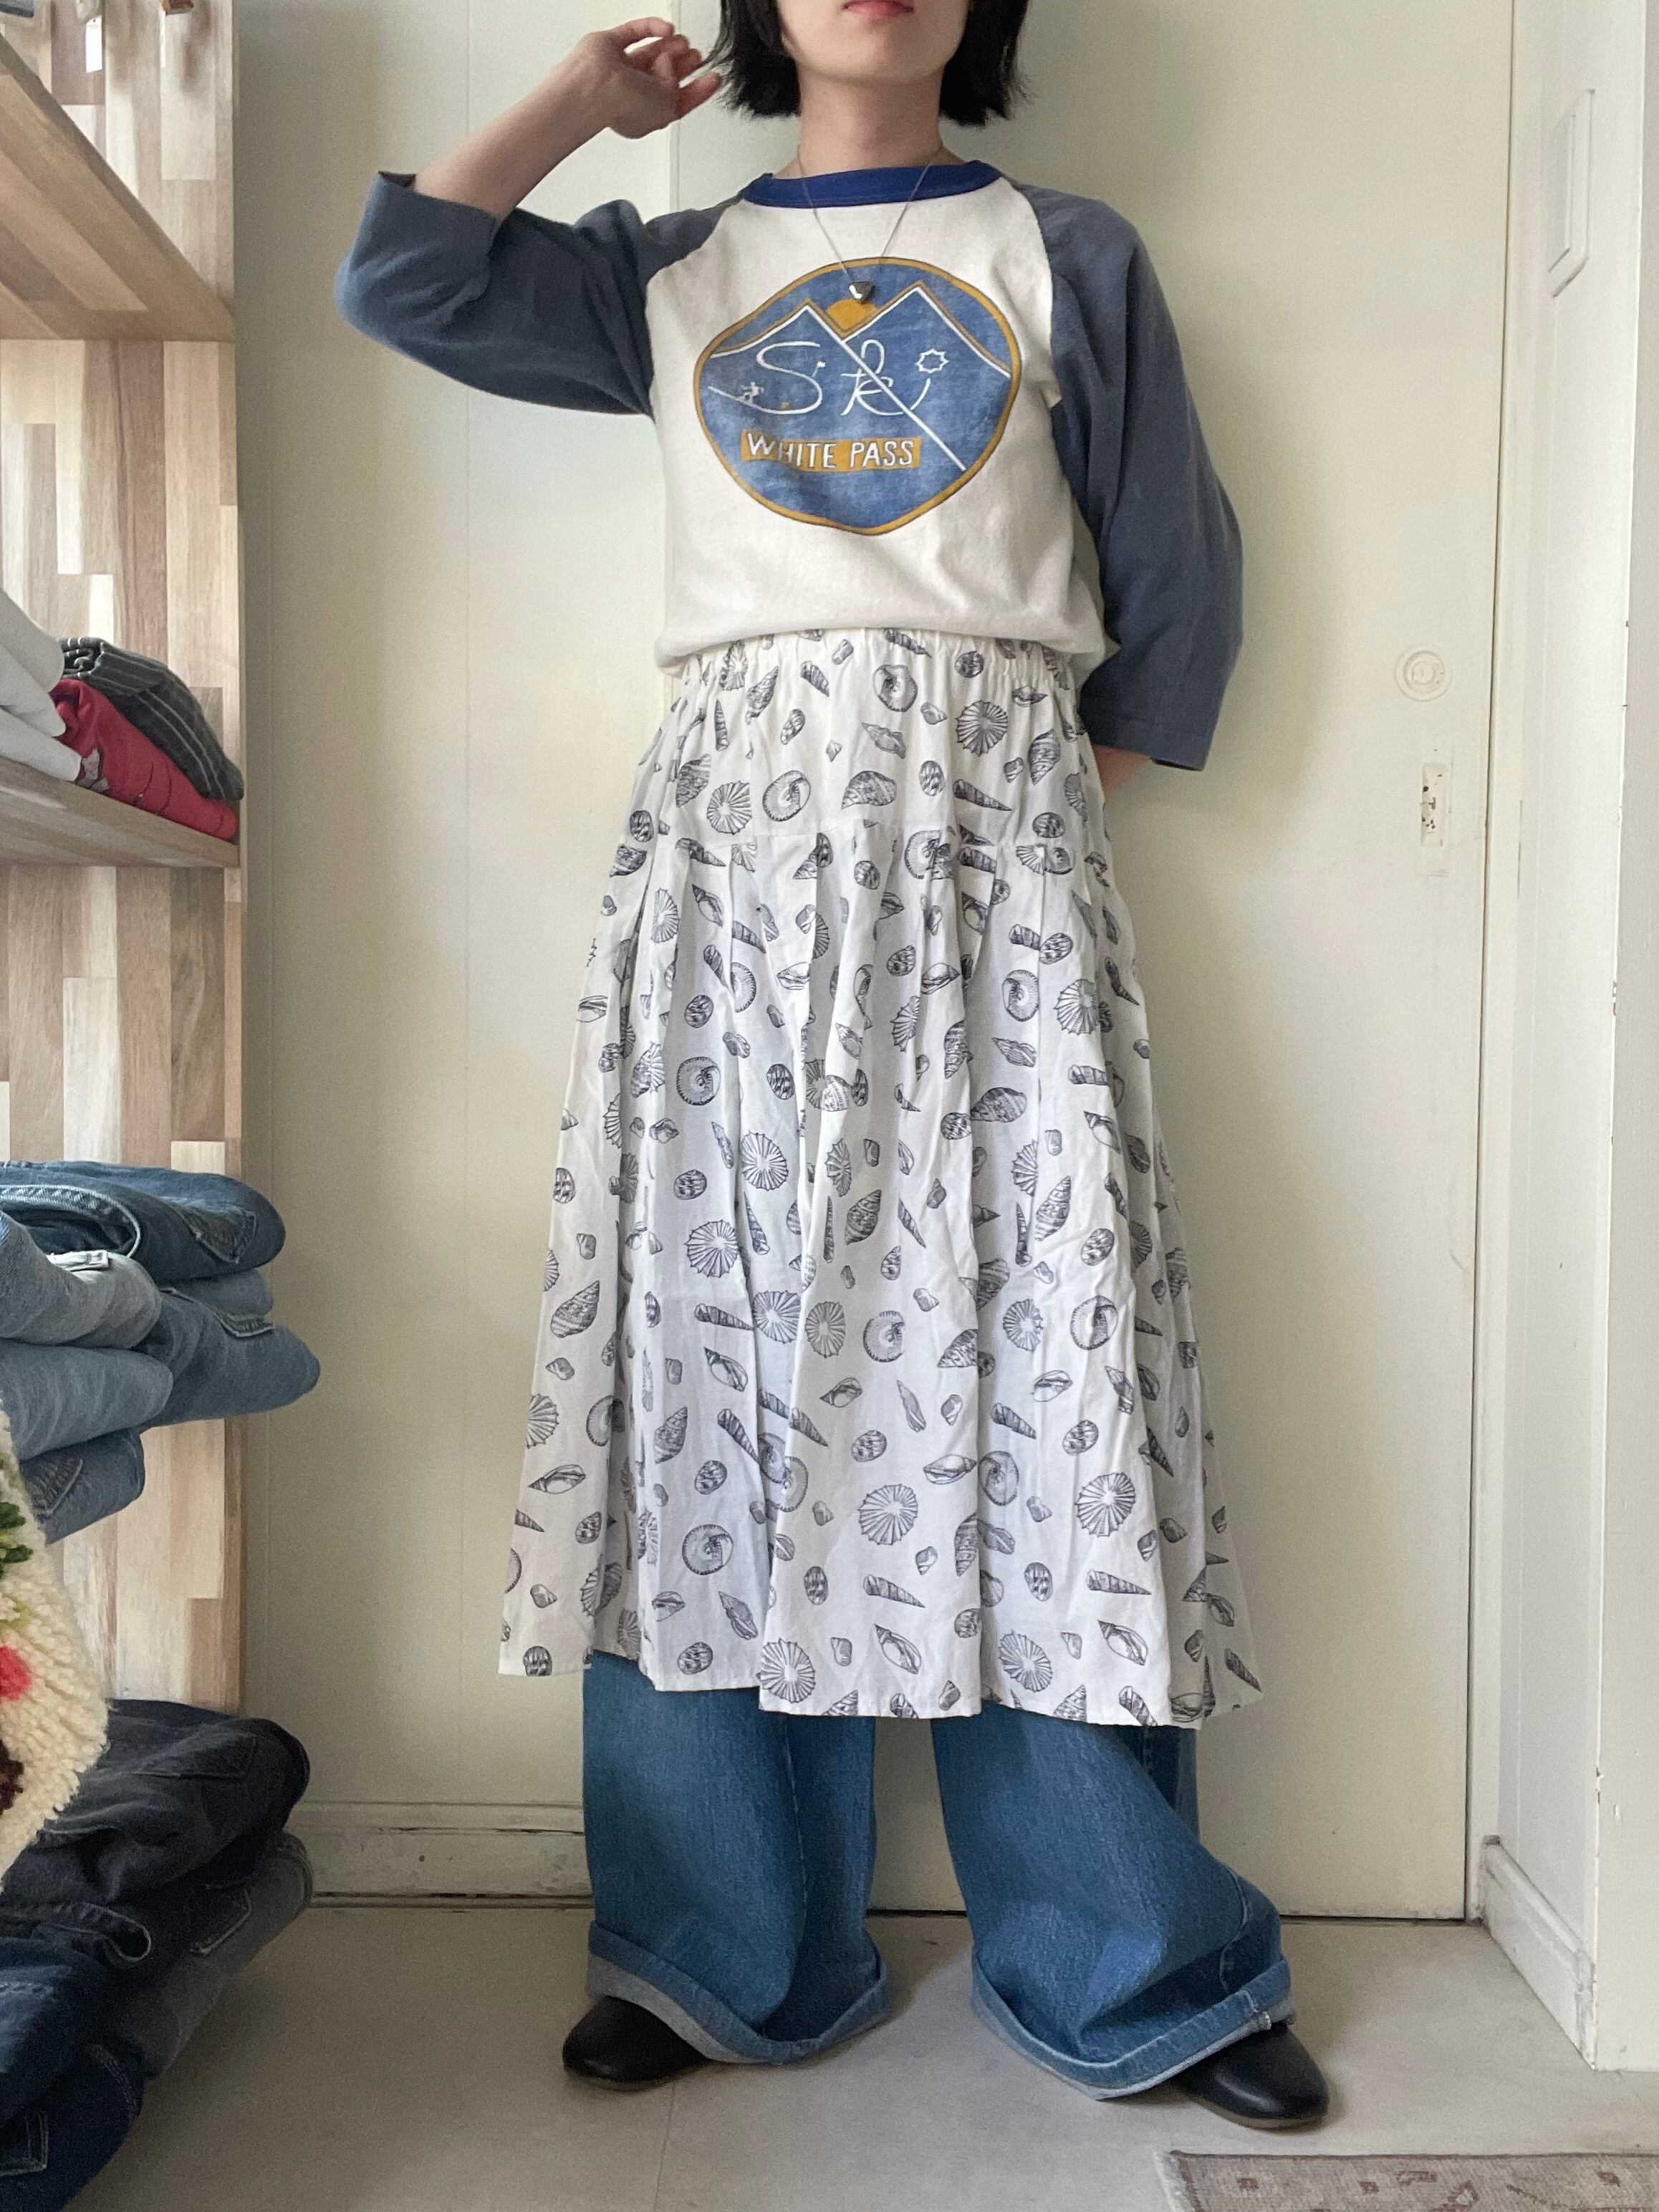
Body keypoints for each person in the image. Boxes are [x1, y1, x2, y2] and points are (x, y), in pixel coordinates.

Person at [336, 0, 1329, 2132]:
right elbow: (401, 279)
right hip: (727, 871)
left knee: (1040, 1374)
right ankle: (718, 1946)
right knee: (711, 1366)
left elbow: (1175, 582)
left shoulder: (1066, 250)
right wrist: (581, 110)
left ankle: (1132, 1957)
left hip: (992, 862)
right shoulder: (670, 265)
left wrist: (1010, 796)